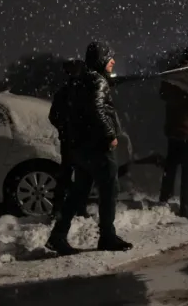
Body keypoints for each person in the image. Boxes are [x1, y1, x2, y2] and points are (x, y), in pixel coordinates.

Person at [45, 41, 132, 255]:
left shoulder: (77, 82)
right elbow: (97, 108)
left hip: (80, 149)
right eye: (110, 57)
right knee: (109, 188)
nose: (113, 61)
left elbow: (61, 115)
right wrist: (109, 135)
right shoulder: (97, 81)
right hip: (97, 147)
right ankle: (107, 236)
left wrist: (71, 135)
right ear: (102, 59)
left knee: (78, 192)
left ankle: (58, 235)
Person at [158, 48, 188, 217]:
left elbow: (163, 94)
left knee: (171, 166)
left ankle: (164, 199)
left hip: (174, 128)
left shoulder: (172, 75)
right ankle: (185, 206)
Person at [49, 58, 91, 219]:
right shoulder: (82, 91)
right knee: (80, 175)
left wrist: (63, 128)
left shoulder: (64, 91)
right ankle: (78, 208)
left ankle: (60, 208)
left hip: (70, 139)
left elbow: (53, 116)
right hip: (77, 139)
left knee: (67, 175)